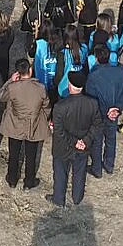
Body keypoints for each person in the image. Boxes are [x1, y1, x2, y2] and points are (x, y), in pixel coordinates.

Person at [49, 71, 100, 207]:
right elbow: (97, 124)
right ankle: (77, 198)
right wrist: (85, 141)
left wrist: (75, 142)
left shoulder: (60, 107)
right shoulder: (92, 103)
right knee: (79, 173)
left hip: (63, 146)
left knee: (60, 174)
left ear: (70, 86)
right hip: (83, 146)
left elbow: (59, 131)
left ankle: (59, 199)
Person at [0, 58, 49, 189]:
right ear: (30, 71)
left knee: (14, 153)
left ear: (18, 72)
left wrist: (10, 81)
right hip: (34, 124)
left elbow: (0, 96)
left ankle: (12, 179)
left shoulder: (13, 88)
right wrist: (43, 118)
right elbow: (47, 105)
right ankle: (29, 181)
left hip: (15, 124)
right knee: (31, 155)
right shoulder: (40, 88)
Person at [84, 45, 123, 173]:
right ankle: (109, 165)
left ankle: (96, 168)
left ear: (97, 58)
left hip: (98, 114)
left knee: (97, 140)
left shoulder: (93, 76)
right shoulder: (120, 72)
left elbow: (90, 98)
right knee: (111, 139)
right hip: (113, 113)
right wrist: (117, 109)